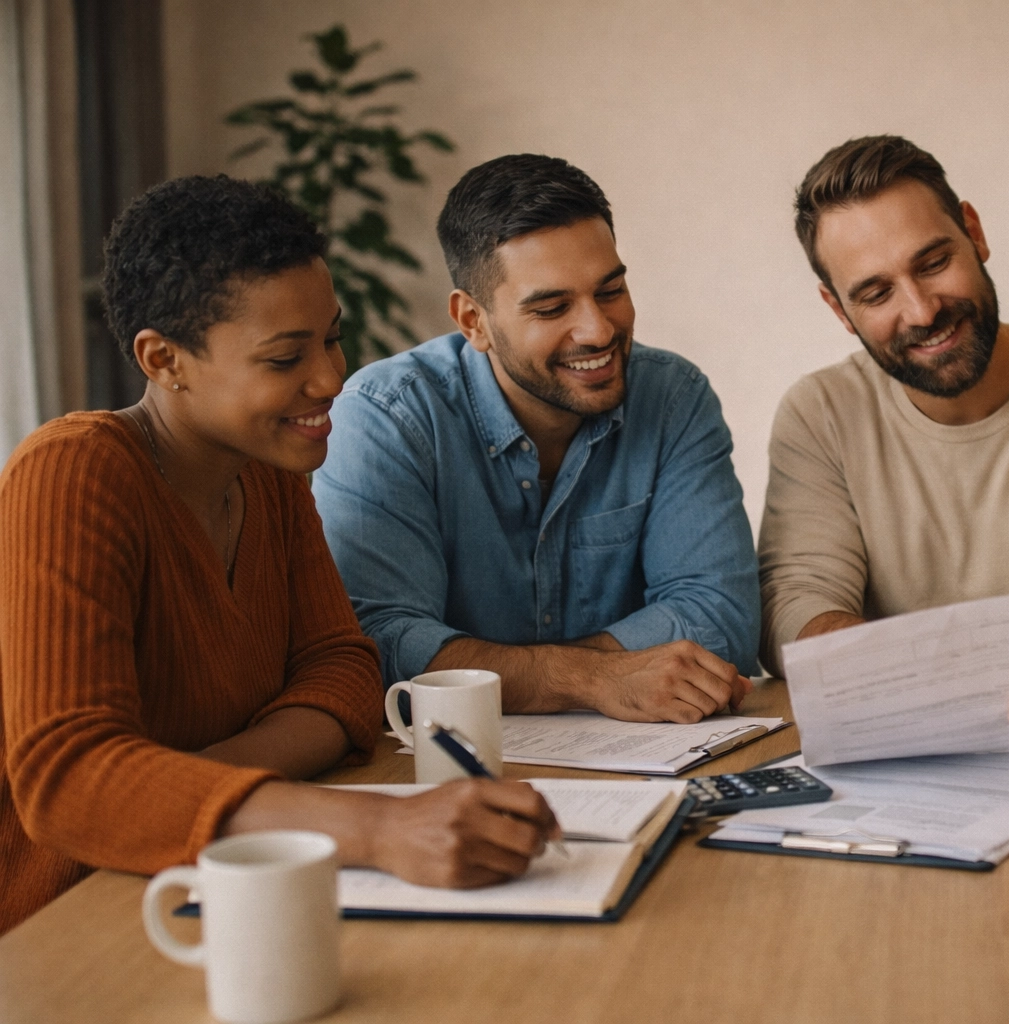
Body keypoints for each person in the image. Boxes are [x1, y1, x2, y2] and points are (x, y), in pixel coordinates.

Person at [0, 176, 560, 936]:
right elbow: (71, 784)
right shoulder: (71, 473)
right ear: (164, 360)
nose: (332, 377)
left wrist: (180, 788)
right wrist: (374, 829)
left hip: (225, 876)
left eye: (330, 336)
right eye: (284, 357)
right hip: (75, 915)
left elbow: (344, 672)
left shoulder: (266, 467)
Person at [311, 155, 760, 724]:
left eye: (611, 290)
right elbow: (379, 644)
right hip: (447, 772)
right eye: (552, 308)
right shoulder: (387, 416)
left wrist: (494, 672)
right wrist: (593, 677)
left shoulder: (673, 396)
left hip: (650, 760)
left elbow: (723, 618)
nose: (598, 330)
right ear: (473, 320)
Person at [757, 135, 1009, 676]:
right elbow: (793, 613)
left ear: (974, 232)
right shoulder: (818, 414)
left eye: (934, 262)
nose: (921, 311)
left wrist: (899, 663)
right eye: (876, 294)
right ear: (839, 309)